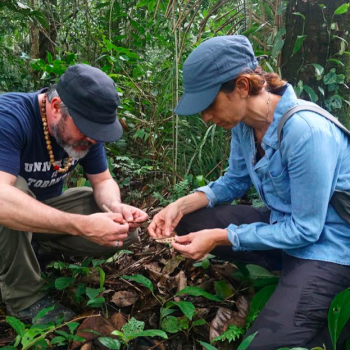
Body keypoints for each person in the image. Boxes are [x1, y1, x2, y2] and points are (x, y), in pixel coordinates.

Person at [148, 35, 350, 349]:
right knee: (190, 222)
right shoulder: (245, 125)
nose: (205, 117)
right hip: (284, 227)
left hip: (327, 247)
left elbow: (307, 229)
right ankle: (289, 279)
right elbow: (234, 181)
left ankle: (322, 305)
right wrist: (179, 206)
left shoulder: (305, 131)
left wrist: (222, 236)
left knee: (260, 345)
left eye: (209, 104)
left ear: (242, 86)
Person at [0, 64, 148, 324]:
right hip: (7, 214)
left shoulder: (87, 134)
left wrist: (115, 207)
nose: (92, 140)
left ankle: (30, 253)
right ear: (56, 107)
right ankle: (25, 299)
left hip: (38, 222)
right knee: (13, 192)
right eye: (87, 130)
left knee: (125, 230)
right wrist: (80, 225)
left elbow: (102, 180)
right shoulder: (10, 117)